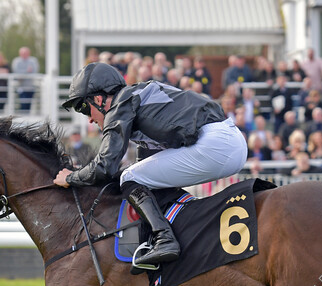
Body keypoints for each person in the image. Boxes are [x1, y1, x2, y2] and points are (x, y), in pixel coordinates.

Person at [54, 63, 246, 266]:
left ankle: (165, 239)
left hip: (215, 144)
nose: (90, 119)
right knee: (141, 178)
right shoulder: (139, 98)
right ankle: (181, 225)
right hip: (231, 140)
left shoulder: (121, 105)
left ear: (99, 99)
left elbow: (105, 166)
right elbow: (145, 167)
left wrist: (70, 177)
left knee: (129, 177)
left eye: (85, 109)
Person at [12, 46, 39, 112]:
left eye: (26, 53)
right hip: (21, 87)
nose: (24, 54)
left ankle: (27, 120)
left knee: (29, 105)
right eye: (23, 53)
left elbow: (35, 71)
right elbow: (16, 72)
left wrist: (23, 73)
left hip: (31, 87)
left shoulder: (33, 61)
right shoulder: (17, 61)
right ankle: (22, 119)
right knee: (22, 104)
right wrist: (27, 71)